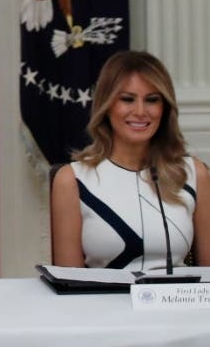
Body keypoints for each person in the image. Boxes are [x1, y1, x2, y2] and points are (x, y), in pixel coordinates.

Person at [51, 50, 210, 270]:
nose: (140, 111)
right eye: (127, 99)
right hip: (100, 304)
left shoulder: (194, 174)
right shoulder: (71, 180)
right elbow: (68, 286)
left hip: (177, 304)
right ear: (107, 106)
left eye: (152, 100)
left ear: (164, 109)